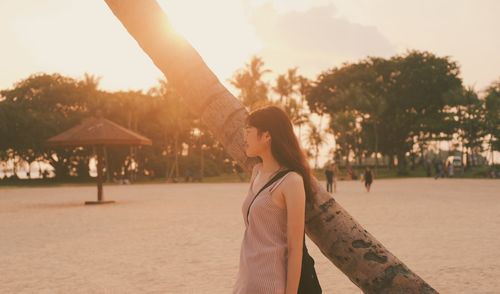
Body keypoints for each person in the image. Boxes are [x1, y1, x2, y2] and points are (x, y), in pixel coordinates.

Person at [234, 105, 321, 294]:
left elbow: (295, 248)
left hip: (272, 284)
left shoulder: (291, 181)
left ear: (267, 136)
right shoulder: (257, 172)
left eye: (248, 132)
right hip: (247, 280)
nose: (244, 138)